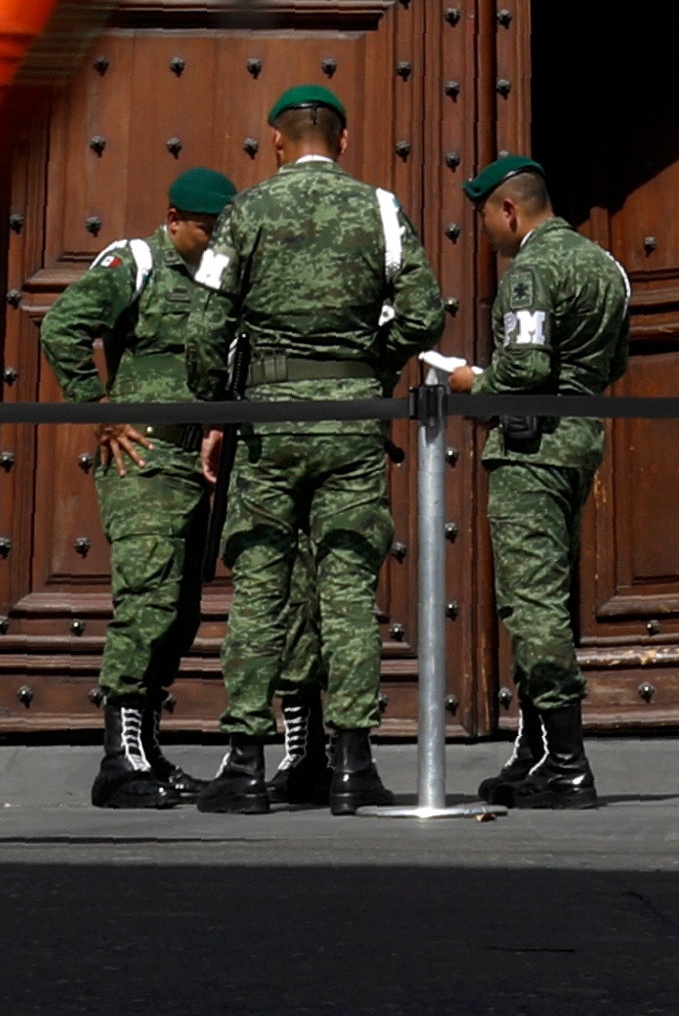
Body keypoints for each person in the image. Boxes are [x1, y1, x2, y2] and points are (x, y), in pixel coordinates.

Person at [184, 84, 446, 815]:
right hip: (353, 420)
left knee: (260, 586)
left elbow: (206, 324)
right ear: (343, 138)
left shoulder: (243, 212)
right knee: (347, 590)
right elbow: (424, 312)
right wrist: (370, 364)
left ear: (274, 138)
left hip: (267, 422)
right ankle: (352, 764)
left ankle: (243, 761)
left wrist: (219, 404)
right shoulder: (383, 209)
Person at [40, 166, 234, 810]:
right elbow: (63, 325)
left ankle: (148, 752)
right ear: (175, 219)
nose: (215, 242)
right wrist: (98, 410)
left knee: (178, 614)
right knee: (147, 603)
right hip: (142, 461)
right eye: (206, 231)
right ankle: (119, 761)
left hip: (188, 464)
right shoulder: (137, 261)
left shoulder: (216, 278)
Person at [447, 154, 632, 811]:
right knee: (545, 593)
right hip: (579, 438)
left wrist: (472, 384)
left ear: (508, 209)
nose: (488, 236)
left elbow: (522, 367)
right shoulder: (603, 266)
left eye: (485, 220)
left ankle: (567, 762)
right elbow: (614, 359)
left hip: (532, 446)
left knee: (531, 602)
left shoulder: (532, 268)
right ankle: (535, 749)